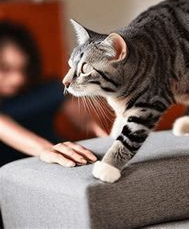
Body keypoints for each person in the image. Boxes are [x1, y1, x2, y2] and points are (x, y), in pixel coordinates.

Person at [0, 21, 108, 167]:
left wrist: (103, 134)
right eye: (6, 68)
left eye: (23, 68)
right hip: (22, 167)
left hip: (59, 160)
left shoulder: (47, 89)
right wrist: (45, 149)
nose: (18, 79)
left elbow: (82, 117)